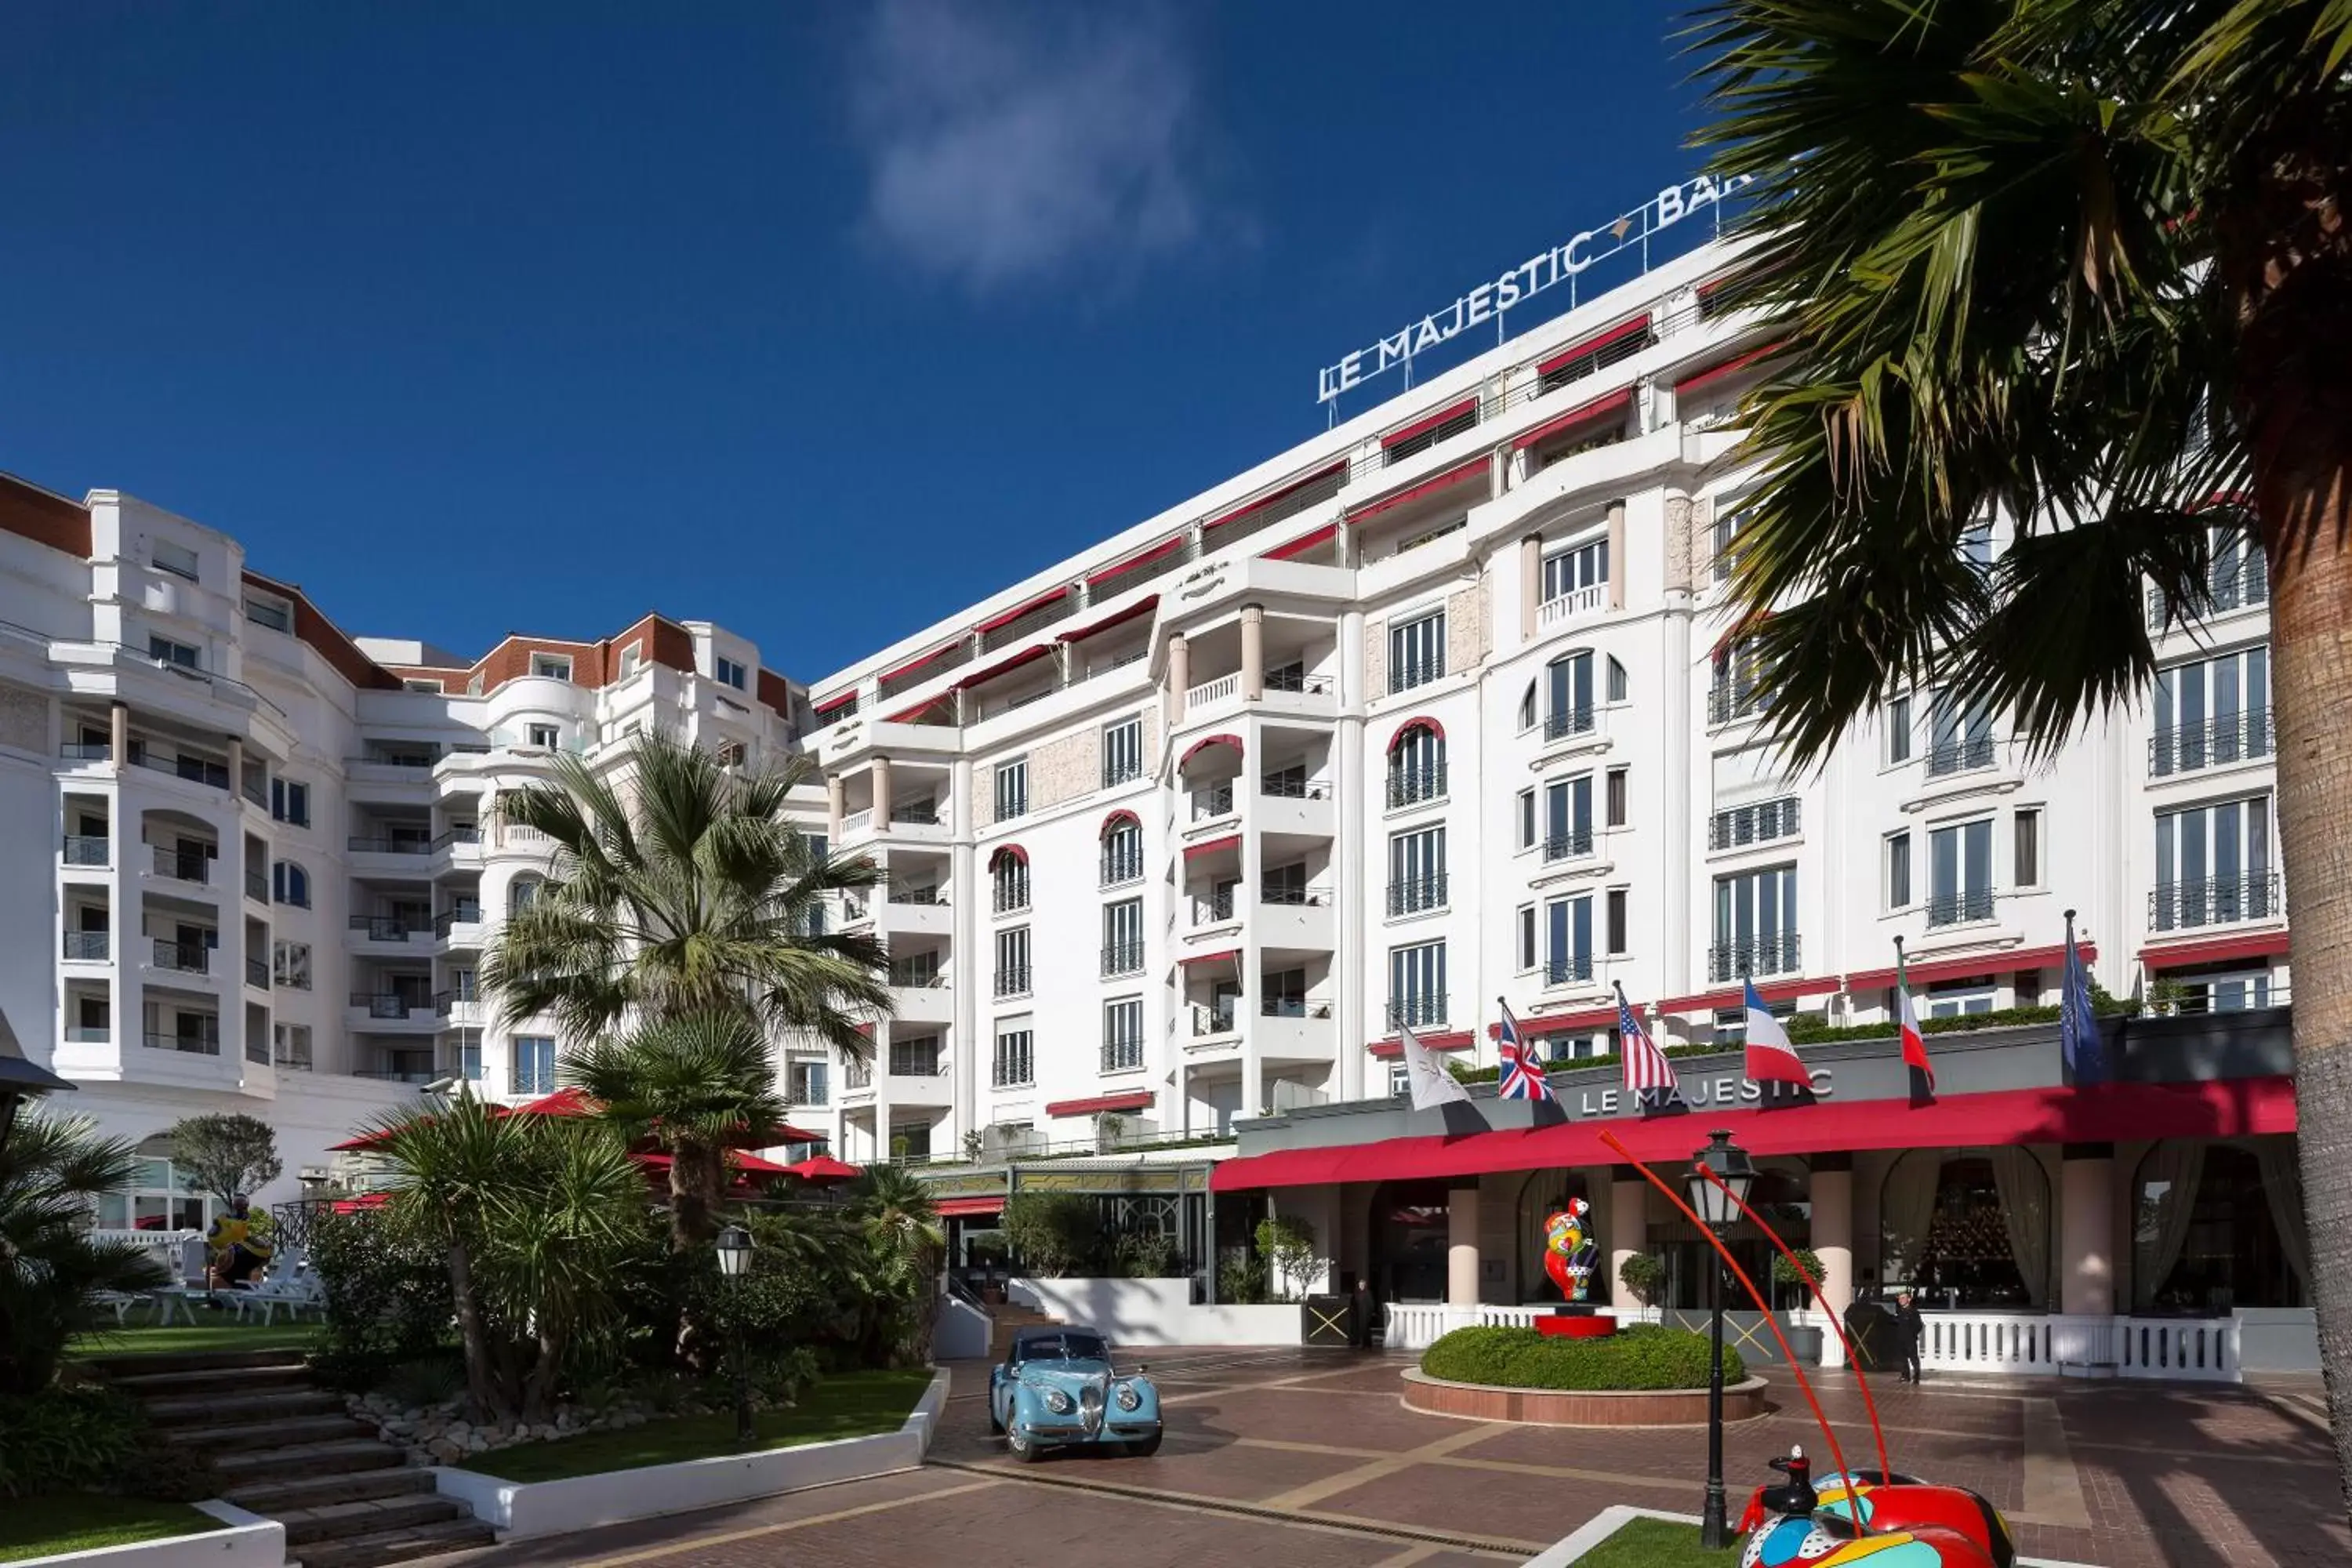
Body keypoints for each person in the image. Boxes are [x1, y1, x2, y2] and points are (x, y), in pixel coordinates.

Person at [206, 1196, 273, 1287]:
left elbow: (248, 1238)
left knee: (240, 1257)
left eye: (243, 1206)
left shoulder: (243, 1220)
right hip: (233, 1255)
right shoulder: (226, 1219)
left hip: (236, 1258)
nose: (241, 1209)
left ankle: (242, 1284)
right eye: (239, 1206)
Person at [1893, 1287, 1925, 1384]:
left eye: (1903, 1298)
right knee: (1902, 1358)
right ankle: (1905, 1376)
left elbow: (1919, 1325)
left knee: (1913, 1358)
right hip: (1900, 1339)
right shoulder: (1899, 1311)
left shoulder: (1913, 1312)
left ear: (1909, 1299)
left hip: (1910, 1339)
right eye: (1900, 1299)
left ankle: (1916, 1376)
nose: (1901, 1300)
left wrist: (1912, 1335)